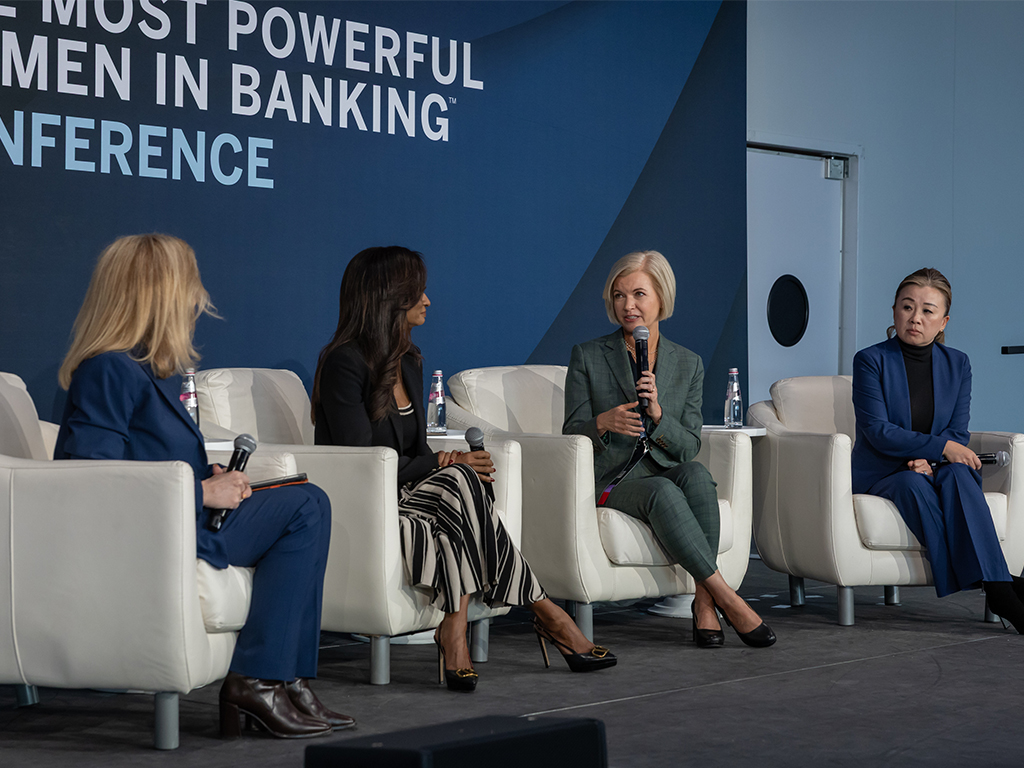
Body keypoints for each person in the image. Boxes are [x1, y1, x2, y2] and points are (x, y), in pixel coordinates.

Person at [55, 234, 353, 739]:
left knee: (309, 499)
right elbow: (92, 479)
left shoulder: (139, 370)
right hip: (155, 533)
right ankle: (258, 680)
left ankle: (286, 680)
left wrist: (206, 478)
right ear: (161, 294)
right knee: (303, 508)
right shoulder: (107, 370)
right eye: (191, 287)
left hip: (178, 517)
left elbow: (143, 460)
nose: (198, 300)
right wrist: (201, 493)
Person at [311, 246, 616, 691]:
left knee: (462, 483)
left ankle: (455, 628)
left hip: (410, 493)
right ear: (388, 297)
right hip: (365, 503)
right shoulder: (344, 363)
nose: (427, 300)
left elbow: (414, 448)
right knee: (459, 479)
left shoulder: (409, 361)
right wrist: (443, 462)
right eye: (417, 291)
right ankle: (545, 614)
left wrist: (445, 463)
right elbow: (360, 458)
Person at [563, 250, 775, 649]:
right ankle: (726, 597)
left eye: (639, 294)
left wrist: (659, 416)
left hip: (660, 467)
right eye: (619, 295)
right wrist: (603, 423)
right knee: (662, 490)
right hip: (611, 477)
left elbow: (689, 446)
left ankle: (703, 603)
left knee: (697, 476)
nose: (628, 305)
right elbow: (570, 433)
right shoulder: (588, 356)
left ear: (662, 297)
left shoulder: (688, 363)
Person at [851, 267, 1024, 631]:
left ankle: (997, 587)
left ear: (943, 321)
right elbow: (878, 431)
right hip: (883, 470)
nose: (915, 318)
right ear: (894, 310)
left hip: (936, 465)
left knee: (961, 473)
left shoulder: (958, 363)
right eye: (907, 307)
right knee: (913, 484)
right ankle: (1000, 584)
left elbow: (957, 430)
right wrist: (938, 448)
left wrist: (932, 455)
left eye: (927, 310)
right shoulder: (870, 360)